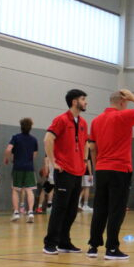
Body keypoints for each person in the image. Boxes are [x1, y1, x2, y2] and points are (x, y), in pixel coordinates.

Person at [88, 89, 134, 259]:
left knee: (100, 209)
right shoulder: (123, 116)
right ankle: (112, 249)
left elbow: (92, 148)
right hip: (119, 170)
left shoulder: (96, 121)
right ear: (122, 101)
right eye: (127, 102)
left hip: (101, 169)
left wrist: (97, 167)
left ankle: (93, 247)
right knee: (116, 210)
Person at [42, 90, 91, 255]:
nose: (86, 102)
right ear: (74, 101)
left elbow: (85, 143)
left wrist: (84, 161)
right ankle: (50, 243)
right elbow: (48, 139)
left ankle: (64, 242)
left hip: (78, 171)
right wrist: (53, 162)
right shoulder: (61, 119)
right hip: (64, 171)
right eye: (83, 99)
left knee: (72, 210)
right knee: (59, 208)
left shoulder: (83, 122)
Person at [5, 118, 39, 223]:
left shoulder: (15, 137)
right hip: (29, 168)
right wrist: (28, 160)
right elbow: (34, 155)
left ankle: (16, 213)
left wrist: (8, 158)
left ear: (21, 126)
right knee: (29, 190)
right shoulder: (34, 140)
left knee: (15, 190)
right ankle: (30, 212)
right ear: (30, 127)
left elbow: (8, 149)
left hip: (18, 167)